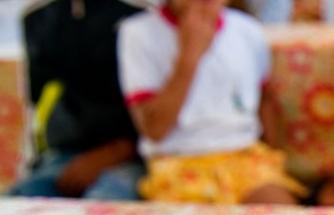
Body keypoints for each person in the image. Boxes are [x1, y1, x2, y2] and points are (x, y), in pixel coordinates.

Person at [117, 0, 304, 204]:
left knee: (279, 214)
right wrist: (190, 55)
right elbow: (155, 129)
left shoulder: (248, 30)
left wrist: (273, 159)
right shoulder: (138, 34)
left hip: (244, 157)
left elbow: (265, 104)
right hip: (177, 163)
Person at [9, 0, 146, 200]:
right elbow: (39, 105)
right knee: (18, 204)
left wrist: (119, 151)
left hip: (136, 157)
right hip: (64, 156)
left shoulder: (143, 14)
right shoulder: (38, 17)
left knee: (104, 202)